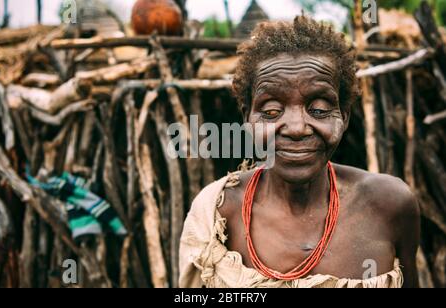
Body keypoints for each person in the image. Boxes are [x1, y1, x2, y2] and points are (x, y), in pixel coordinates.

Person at [179, 15, 420, 288]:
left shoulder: (389, 204)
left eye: (318, 109)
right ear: (248, 118)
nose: (296, 128)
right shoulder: (217, 213)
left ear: (344, 116)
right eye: (271, 111)